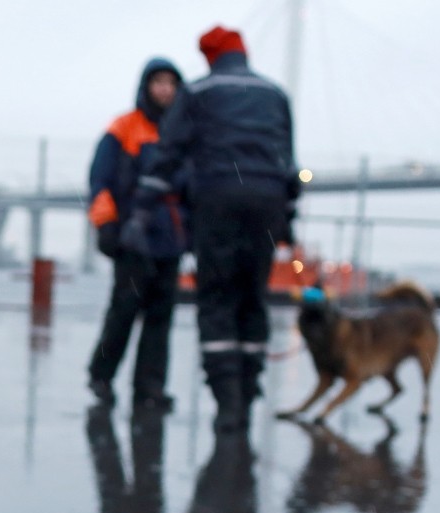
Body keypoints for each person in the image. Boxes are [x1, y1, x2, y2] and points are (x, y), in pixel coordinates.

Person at [132, 25, 300, 433]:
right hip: (266, 206)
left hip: (218, 204)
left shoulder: (200, 93)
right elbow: (289, 164)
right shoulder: (275, 95)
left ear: (210, 57)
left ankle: (227, 401)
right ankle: (248, 388)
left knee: (218, 299)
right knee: (251, 296)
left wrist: (140, 211)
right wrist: (286, 215)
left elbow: (168, 155)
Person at [85, 58, 186, 413]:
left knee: (161, 320)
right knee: (123, 312)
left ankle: (151, 388)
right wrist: (106, 225)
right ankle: (101, 376)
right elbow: (100, 181)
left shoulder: (184, 132)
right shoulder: (123, 128)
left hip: (170, 242)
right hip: (133, 238)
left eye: (171, 83)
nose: (165, 89)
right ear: (146, 86)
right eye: (158, 82)